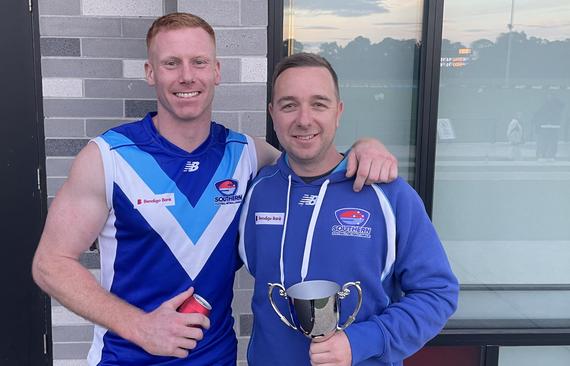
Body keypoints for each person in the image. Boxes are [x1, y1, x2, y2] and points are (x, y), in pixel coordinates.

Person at [32, 13, 398, 366]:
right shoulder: (108, 157)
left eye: (199, 62)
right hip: (125, 359)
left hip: (216, 359)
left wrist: (364, 147)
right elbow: (50, 264)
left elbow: (315, 163)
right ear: (150, 72)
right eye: (171, 63)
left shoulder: (249, 156)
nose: (187, 76)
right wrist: (139, 326)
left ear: (217, 71)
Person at [238, 53, 458, 366]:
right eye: (289, 105)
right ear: (273, 114)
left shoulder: (388, 194)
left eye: (319, 104)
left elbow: (438, 293)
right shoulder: (257, 191)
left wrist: (362, 341)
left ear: (338, 111)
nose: (304, 119)